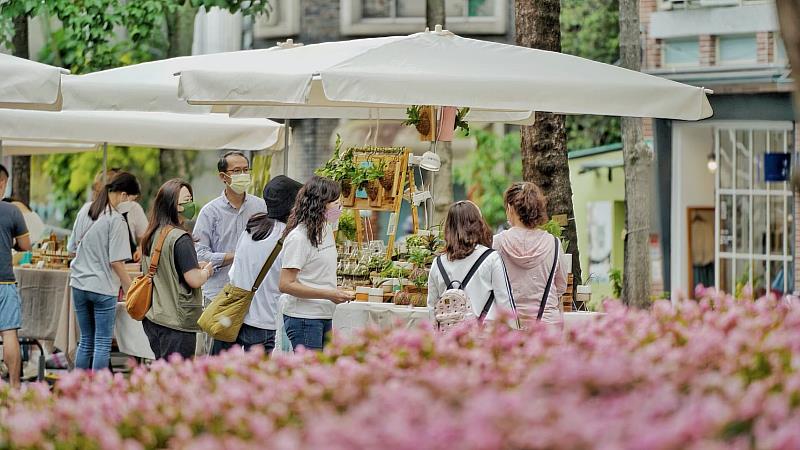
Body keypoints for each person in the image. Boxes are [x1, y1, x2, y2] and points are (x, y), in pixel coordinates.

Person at [210, 175, 304, 356]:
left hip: (235, 317)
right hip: (266, 322)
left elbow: (234, 273)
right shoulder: (290, 238)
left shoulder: (253, 227)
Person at [194, 151, 267, 353]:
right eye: (236, 171)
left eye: (246, 170)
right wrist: (236, 256)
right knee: (219, 356)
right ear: (223, 177)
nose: (243, 175)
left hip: (253, 294)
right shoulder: (210, 212)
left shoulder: (260, 206)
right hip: (220, 294)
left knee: (253, 356)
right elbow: (200, 254)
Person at [69, 172, 140, 371]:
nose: (131, 206)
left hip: (79, 285)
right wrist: (130, 287)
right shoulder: (117, 220)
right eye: (132, 201)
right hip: (103, 288)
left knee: (85, 341)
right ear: (124, 195)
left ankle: (78, 389)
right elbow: (117, 262)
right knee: (101, 343)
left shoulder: (85, 210)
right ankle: (96, 393)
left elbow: (72, 247)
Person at [278, 176, 355, 351]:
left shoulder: (326, 229)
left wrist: (335, 291)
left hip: (324, 314)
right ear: (319, 204)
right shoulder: (299, 238)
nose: (339, 207)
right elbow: (285, 284)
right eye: (335, 203)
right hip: (304, 318)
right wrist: (328, 294)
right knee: (311, 374)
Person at [141, 179, 212, 360]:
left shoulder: (152, 234)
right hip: (176, 321)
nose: (191, 205)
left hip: (154, 317)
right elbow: (194, 279)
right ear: (173, 205)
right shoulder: (181, 238)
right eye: (186, 201)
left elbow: (166, 269)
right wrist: (207, 271)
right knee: (176, 379)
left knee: (162, 373)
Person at [427, 201, 517, 327]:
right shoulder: (491, 258)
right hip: (484, 335)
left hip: (449, 339)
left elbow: (432, 308)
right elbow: (505, 302)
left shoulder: (438, 263)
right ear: (478, 225)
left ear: (449, 227)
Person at [493, 182, 567, 327]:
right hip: (547, 327)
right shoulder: (554, 244)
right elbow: (561, 286)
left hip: (509, 326)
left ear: (510, 208)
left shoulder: (497, 243)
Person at [68, 168, 147, 263]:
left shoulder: (85, 209)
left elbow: (71, 250)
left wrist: (140, 249)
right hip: (106, 274)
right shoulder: (115, 218)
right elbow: (116, 262)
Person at [0, 166, 30, 388]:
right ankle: (14, 386)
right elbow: (25, 246)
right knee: (9, 333)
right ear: (2, 183)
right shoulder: (12, 212)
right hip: (5, 281)